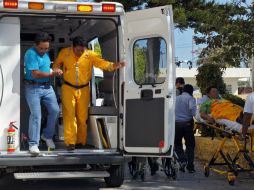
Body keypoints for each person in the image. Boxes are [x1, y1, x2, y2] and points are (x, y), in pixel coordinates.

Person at [53, 36, 125, 150]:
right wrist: (56, 69)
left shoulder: (90, 55)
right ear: (73, 47)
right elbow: (56, 63)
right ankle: (70, 142)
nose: (80, 53)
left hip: (83, 89)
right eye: (78, 50)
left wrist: (113, 66)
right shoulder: (65, 53)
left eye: (82, 50)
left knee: (82, 117)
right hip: (68, 88)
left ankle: (81, 141)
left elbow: (101, 63)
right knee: (69, 115)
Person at [24, 32, 61, 155]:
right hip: (33, 87)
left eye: (46, 48)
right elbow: (36, 73)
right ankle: (33, 144)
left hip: (47, 87)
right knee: (36, 115)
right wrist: (52, 74)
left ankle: (47, 135)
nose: (44, 51)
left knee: (55, 110)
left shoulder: (45, 54)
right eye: (41, 48)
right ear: (35, 45)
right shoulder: (31, 53)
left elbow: (46, 69)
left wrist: (54, 70)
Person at [175, 84, 197, 173]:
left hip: (176, 124)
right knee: (190, 146)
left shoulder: (176, 98)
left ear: (183, 90)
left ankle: (182, 160)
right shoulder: (190, 98)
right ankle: (190, 167)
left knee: (177, 144)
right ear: (191, 91)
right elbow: (193, 111)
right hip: (187, 124)